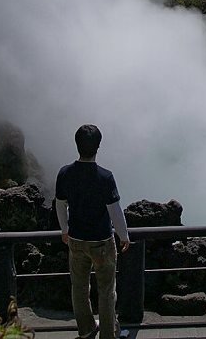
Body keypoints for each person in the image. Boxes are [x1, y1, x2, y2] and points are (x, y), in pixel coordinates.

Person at [55, 124, 131, 339]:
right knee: (107, 291)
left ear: (77, 144)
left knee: (79, 288)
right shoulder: (105, 177)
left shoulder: (65, 173)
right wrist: (124, 236)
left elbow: (60, 204)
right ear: (98, 146)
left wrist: (64, 230)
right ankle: (108, 334)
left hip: (76, 240)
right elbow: (115, 211)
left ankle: (87, 330)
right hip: (102, 242)